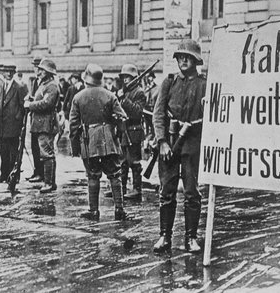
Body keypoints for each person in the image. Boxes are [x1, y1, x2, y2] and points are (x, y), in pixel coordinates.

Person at [152, 39, 206, 254]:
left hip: (193, 145)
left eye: (188, 57)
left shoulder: (204, 84)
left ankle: (191, 237)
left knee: (192, 193)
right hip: (170, 144)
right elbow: (158, 114)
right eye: (180, 57)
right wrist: (162, 142)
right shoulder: (169, 82)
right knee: (167, 192)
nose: (183, 60)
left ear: (195, 60)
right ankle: (164, 236)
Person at [70, 64, 131, 221]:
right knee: (115, 174)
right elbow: (122, 117)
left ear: (86, 79)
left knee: (92, 175)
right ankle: (119, 209)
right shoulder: (110, 95)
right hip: (109, 141)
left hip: (89, 142)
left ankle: (94, 210)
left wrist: (75, 147)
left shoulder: (78, 97)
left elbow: (73, 125)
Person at [24, 59, 60, 193]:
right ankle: (49, 182)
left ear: (48, 72)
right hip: (41, 123)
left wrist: (30, 105)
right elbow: (41, 99)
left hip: (46, 123)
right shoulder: (44, 84)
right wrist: (31, 100)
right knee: (45, 153)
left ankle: (49, 183)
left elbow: (47, 104)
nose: (39, 72)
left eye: (42, 70)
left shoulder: (52, 86)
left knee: (47, 153)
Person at [0, 64, 28, 187]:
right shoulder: (2, 85)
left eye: (9, 71)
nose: (7, 74)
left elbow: (23, 106)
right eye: (5, 71)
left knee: (14, 152)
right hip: (2, 124)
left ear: (13, 73)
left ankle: (13, 176)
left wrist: (18, 118)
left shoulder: (19, 86)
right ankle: (3, 175)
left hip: (13, 124)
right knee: (3, 151)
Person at [117, 64, 146, 200]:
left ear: (134, 77)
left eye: (127, 77)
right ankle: (120, 188)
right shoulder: (124, 91)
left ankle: (137, 189)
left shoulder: (139, 92)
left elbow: (137, 112)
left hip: (134, 130)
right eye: (123, 77)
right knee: (122, 162)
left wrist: (124, 100)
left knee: (134, 162)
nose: (125, 80)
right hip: (123, 130)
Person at [26, 57, 44, 183]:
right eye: (34, 67)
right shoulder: (35, 81)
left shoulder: (44, 82)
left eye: (37, 67)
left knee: (41, 148)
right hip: (34, 119)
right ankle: (37, 171)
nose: (35, 69)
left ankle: (41, 173)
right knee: (34, 147)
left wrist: (31, 103)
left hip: (41, 120)